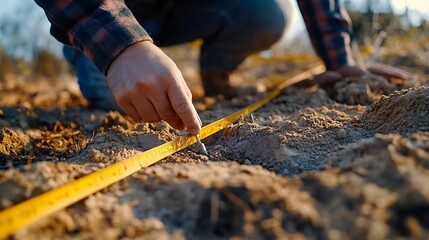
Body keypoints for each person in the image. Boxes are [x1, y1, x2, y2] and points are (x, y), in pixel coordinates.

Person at [35, 0, 413, 136]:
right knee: (114, 100)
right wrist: (120, 49)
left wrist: (339, 59)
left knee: (267, 13)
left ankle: (216, 76)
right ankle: (85, 50)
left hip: (183, 9)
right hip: (112, 11)